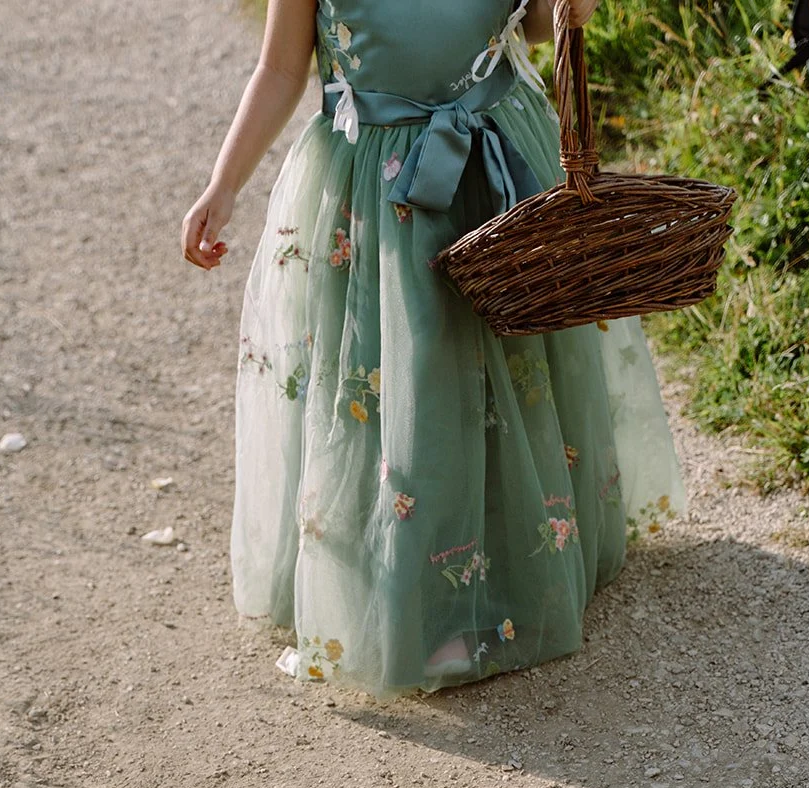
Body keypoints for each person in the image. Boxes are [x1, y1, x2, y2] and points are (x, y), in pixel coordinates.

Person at [182, 0, 685, 697]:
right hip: (378, 190)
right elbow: (278, 68)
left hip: (494, 160)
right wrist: (223, 183)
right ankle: (406, 590)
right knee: (398, 375)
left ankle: (511, 561)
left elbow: (536, 25)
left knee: (506, 364)